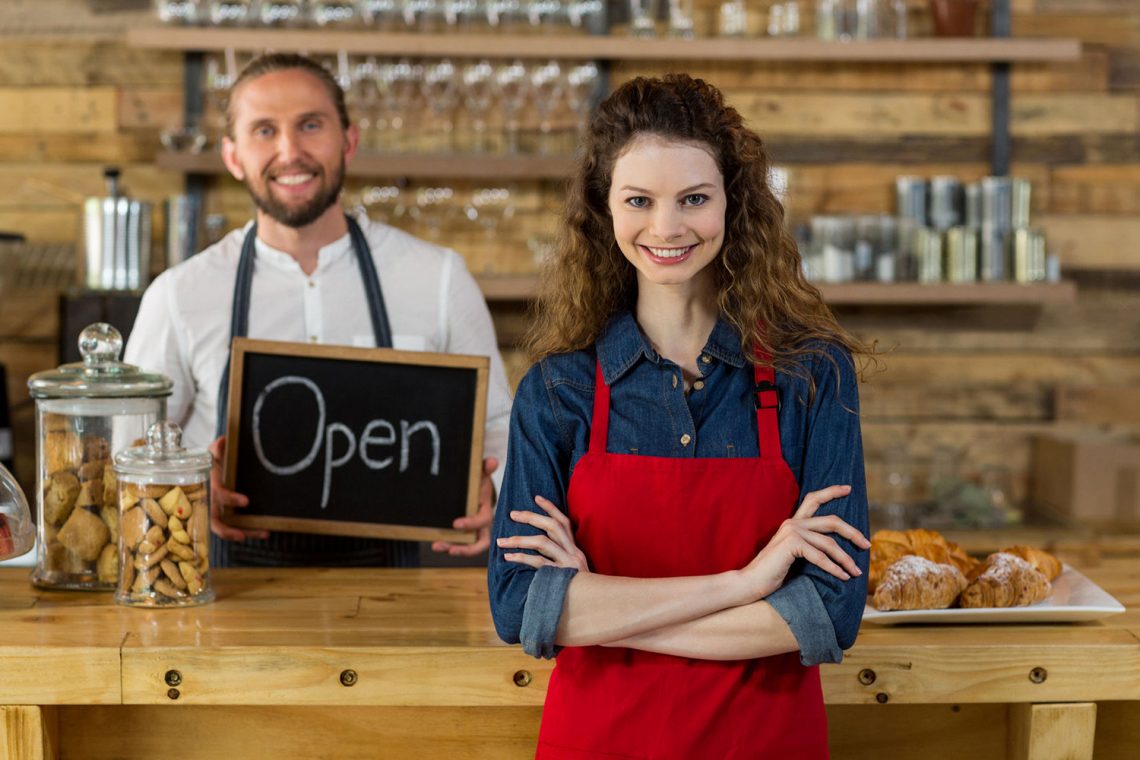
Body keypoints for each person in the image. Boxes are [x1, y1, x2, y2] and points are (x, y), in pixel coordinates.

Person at [488, 74, 872, 758]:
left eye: (693, 199)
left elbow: (826, 613)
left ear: (734, 204)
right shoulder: (558, 390)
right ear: (606, 210)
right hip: (600, 740)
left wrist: (592, 610)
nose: (666, 228)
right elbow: (519, 607)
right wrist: (745, 586)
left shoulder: (812, 375)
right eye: (640, 200)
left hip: (764, 741)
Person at [125, 53, 511, 567]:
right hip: (227, 596)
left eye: (310, 125)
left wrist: (494, 488)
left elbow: (500, 428)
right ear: (233, 156)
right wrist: (192, 483)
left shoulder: (436, 276)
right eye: (264, 130)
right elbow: (129, 453)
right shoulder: (179, 293)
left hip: (394, 595)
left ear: (348, 140)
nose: (290, 151)